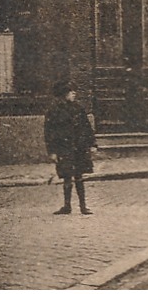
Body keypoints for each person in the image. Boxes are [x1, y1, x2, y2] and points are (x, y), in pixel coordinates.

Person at [44, 81, 96, 216]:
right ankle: (67, 206)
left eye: (74, 91)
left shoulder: (78, 108)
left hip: (79, 147)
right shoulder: (54, 111)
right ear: (64, 94)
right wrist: (52, 152)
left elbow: (86, 127)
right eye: (71, 92)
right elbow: (49, 133)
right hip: (64, 148)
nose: (74, 94)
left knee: (79, 176)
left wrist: (92, 144)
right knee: (67, 176)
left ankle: (83, 206)